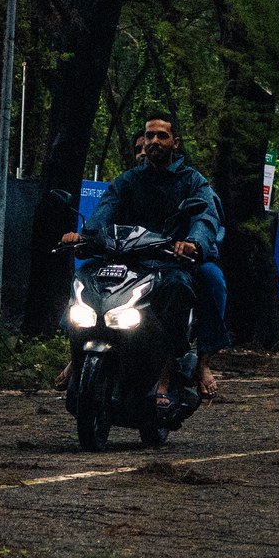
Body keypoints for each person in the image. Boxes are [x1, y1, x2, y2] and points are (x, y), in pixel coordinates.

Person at [59, 110, 228, 401]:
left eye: (162, 135)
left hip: (170, 263)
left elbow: (205, 218)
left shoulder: (193, 182)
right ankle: (78, 355)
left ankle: (181, 369)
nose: (154, 141)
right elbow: (104, 212)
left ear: (176, 142)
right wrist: (84, 237)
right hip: (128, 260)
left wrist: (191, 243)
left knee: (192, 285)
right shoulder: (127, 181)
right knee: (84, 276)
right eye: (149, 135)